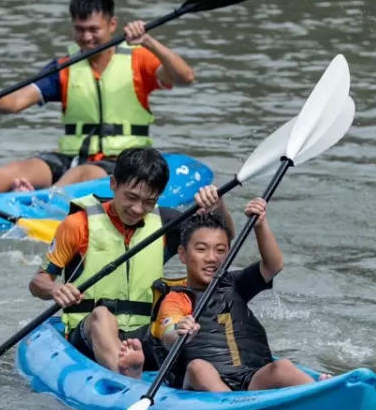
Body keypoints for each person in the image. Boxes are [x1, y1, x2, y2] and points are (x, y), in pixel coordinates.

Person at [29, 147, 234, 379]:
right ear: (113, 184)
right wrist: (55, 289)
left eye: (149, 202)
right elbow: (38, 283)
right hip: (89, 334)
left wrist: (218, 206)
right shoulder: (78, 224)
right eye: (131, 197)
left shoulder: (165, 223)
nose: (138, 209)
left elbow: (221, 240)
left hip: (144, 334)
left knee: (182, 324)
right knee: (101, 315)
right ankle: (125, 372)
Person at [0, 0, 195, 194]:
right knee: (19, 169)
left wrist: (149, 42)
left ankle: (38, 202)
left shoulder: (139, 59)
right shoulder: (64, 67)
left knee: (84, 173)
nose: (86, 38)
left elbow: (185, 78)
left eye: (93, 30)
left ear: (112, 25)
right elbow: (17, 102)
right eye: (80, 29)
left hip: (123, 162)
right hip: (71, 157)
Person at [154, 206, 329, 392]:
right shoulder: (177, 298)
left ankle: (324, 395)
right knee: (199, 368)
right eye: (201, 249)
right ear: (183, 254)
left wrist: (260, 224)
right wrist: (180, 333)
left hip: (250, 382)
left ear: (228, 254)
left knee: (282, 367)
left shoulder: (234, 284)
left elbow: (273, 265)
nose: (211, 258)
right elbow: (168, 334)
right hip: (202, 388)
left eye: (220, 250)